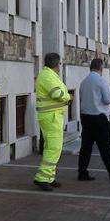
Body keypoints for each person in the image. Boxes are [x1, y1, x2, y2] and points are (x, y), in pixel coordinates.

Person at [77, 59, 110, 181]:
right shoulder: (101, 81)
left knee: (86, 147)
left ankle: (82, 172)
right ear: (101, 68)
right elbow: (108, 99)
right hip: (99, 118)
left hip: (86, 117)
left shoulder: (84, 82)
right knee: (105, 148)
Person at [33, 53, 71, 190]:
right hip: (51, 117)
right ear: (57, 64)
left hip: (52, 116)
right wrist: (67, 96)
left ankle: (49, 177)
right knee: (54, 148)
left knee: (52, 147)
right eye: (60, 64)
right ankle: (42, 178)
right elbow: (57, 94)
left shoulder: (47, 75)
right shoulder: (48, 76)